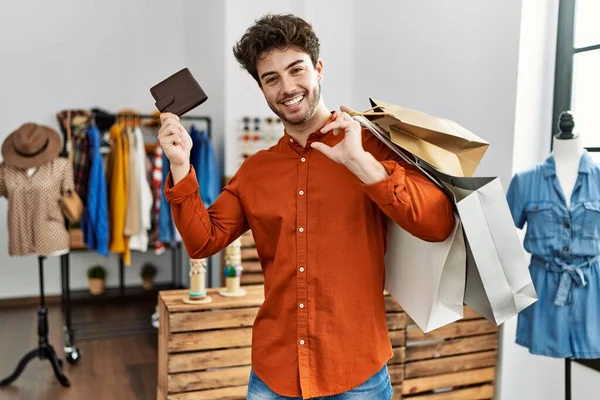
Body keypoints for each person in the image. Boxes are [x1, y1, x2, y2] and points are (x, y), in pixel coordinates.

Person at [158, 13, 454, 400]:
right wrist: (181, 165)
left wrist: (363, 164)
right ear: (262, 89)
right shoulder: (256, 171)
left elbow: (439, 224)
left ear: (318, 69)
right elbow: (203, 241)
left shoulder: (370, 145)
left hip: (358, 374)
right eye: (271, 79)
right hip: (273, 377)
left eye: (296, 70)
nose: (287, 87)